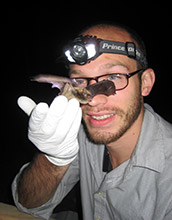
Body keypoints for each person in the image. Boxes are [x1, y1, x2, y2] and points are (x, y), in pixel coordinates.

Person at [12, 22, 172, 220]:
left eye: (114, 77)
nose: (93, 100)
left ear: (145, 84)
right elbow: (28, 205)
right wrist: (53, 159)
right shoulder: (80, 136)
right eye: (80, 81)